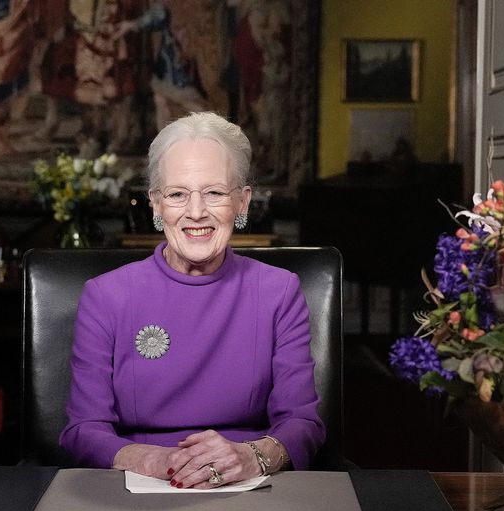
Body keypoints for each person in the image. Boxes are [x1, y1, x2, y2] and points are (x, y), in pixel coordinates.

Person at [59, 111, 325, 489]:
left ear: (243, 202)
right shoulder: (106, 296)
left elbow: (303, 424)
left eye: (215, 193)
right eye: (177, 194)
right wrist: (156, 460)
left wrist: (253, 456)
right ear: (155, 204)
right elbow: (83, 429)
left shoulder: (279, 291)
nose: (196, 212)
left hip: (248, 487)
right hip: (137, 487)